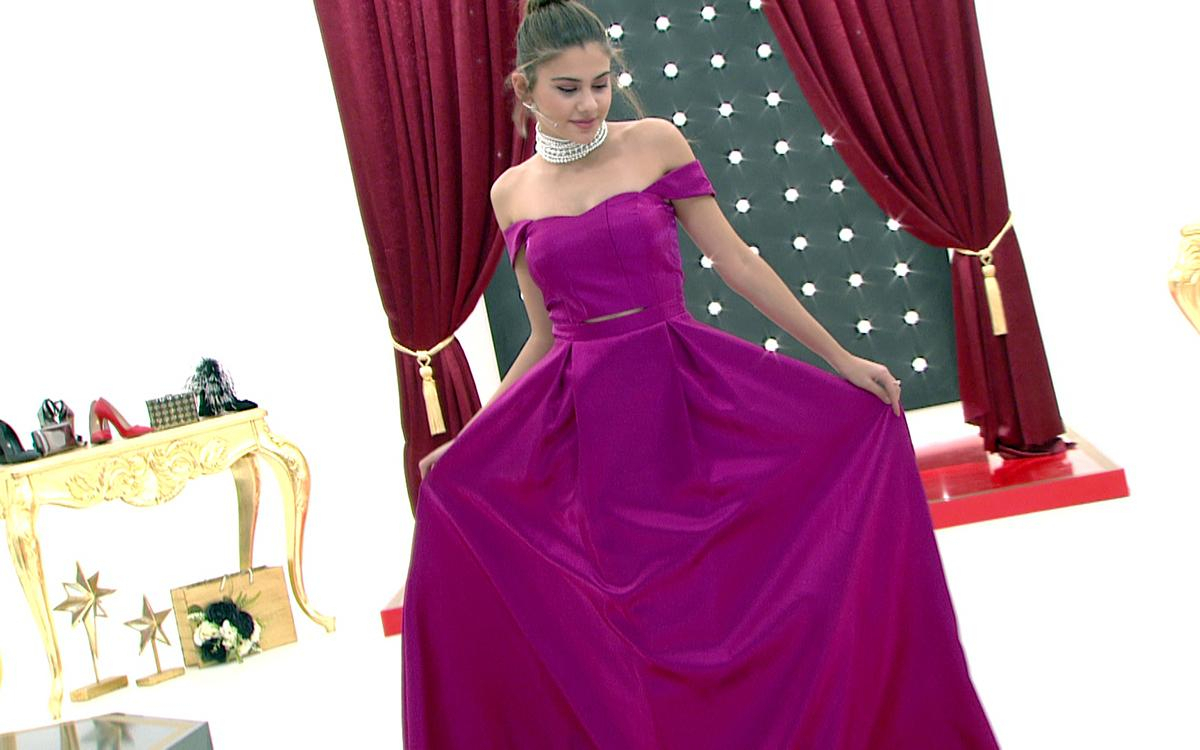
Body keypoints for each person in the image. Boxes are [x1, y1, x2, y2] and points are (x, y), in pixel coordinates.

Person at [403, 1, 1000, 747]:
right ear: (525, 87)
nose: (590, 104)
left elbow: (737, 262)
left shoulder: (654, 142)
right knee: (635, 622)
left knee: (729, 601)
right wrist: (472, 439)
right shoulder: (510, 193)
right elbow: (541, 337)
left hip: (684, 394)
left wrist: (840, 358)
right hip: (592, 429)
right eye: (568, 89)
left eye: (601, 83)